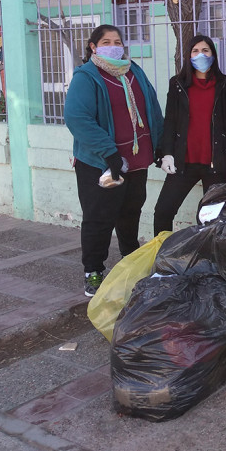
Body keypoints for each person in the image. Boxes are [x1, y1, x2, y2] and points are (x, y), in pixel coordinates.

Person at [64, 24, 163, 297]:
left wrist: (161, 144)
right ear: (93, 47)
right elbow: (77, 118)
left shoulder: (133, 72)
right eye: (106, 41)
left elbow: (152, 108)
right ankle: (93, 271)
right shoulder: (86, 76)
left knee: (130, 212)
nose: (113, 45)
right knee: (99, 217)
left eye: (117, 41)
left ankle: (129, 260)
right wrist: (109, 153)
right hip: (100, 162)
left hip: (136, 159)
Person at [153, 34, 226, 234]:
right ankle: (161, 256)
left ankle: (208, 260)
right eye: (195, 51)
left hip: (216, 164)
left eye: (205, 50)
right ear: (188, 56)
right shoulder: (177, 84)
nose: (200, 55)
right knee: (163, 211)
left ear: (213, 55)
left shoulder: (225, 85)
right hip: (183, 162)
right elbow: (170, 121)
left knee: (209, 219)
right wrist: (167, 153)